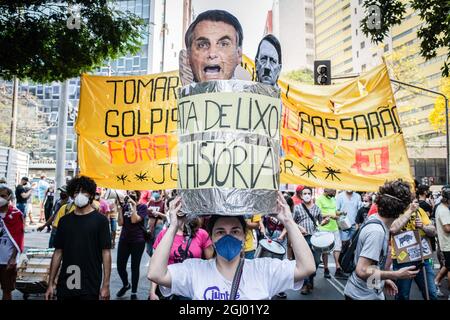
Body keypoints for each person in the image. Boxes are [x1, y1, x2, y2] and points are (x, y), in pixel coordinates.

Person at [148, 192, 315, 300]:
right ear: (211, 238)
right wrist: (173, 226)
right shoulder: (194, 270)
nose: (228, 236)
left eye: (235, 231)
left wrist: (288, 220)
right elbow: (156, 274)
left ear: (244, 236)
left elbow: (306, 268)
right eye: (220, 232)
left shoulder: (264, 270)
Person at [344, 180, 420, 300]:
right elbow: (362, 270)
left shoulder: (376, 220)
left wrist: (383, 280)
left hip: (369, 292)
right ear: (402, 209)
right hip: (361, 296)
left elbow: (373, 265)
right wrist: (395, 274)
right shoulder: (376, 232)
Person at [45, 176, 111, 300]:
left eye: (84, 191)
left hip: (90, 282)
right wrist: (50, 283)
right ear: (72, 195)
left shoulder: (101, 221)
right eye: (76, 192)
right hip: (67, 281)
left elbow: (106, 252)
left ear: (91, 195)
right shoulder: (64, 221)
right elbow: (58, 252)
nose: (80, 195)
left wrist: (105, 285)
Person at [149, 216, 214, 300]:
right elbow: (156, 265)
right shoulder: (165, 234)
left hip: (192, 287)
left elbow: (211, 263)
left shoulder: (201, 234)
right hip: (169, 286)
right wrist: (152, 292)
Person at [390, 195, 438, 300]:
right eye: (411, 201)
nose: (414, 203)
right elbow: (393, 229)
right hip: (402, 259)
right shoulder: (396, 211)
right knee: (403, 295)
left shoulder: (420, 211)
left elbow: (433, 231)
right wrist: (410, 211)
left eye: (415, 201)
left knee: (431, 293)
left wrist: (423, 227)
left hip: (422, 257)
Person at [185, 10, 243, 83]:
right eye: (202, 45)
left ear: (239, 55)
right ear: (188, 56)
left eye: (223, 44)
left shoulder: (252, 94)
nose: (212, 54)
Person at [293, 187, 330, 295]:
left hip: (315, 238)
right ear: (301, 195)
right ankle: (306, 284)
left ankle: (310, 278)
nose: (307, 195)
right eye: (305, 193)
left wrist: (325, 221)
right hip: (302, 238)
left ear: (311, 194)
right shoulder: (297, 208)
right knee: (304, 262)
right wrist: (299, 227)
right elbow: (292, 222)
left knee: (316, 262)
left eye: (309, 193)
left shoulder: (317, 208)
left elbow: (320, 223)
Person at [116, 190, 148, 300]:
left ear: (138, 195)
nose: (130, 195)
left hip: (137, 241)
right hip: (124, 240)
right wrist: (119, 209)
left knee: (135, 267)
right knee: (120, 266)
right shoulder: (125, 206)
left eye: (133, 193)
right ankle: (126, 284)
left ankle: (134, 292)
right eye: (129, 193)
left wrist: (133, 206)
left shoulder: (142, 207)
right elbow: (120, 223)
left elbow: (134, 220)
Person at [0, 185, 24, 300]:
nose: (0, 198)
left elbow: (18, 238)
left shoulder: (16, 214)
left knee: (7, 290)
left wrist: (13, 258)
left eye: (2, 196)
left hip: (7, 261)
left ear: (9, 197)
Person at [316, 188, 345, 279]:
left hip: (334, 227)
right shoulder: (319, 199)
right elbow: (318, 213)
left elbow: (334, 211)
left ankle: (338, 267)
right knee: (326, 250)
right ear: (326, 190)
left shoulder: (333, 199)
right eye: (333, 191)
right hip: (324, 228)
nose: (335, 193)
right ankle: (326, 269)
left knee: (338, 247)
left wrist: (340, 213)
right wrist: (330, 216)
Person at [434, 187, 450, 300]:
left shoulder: (440, 207)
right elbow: (447, 228)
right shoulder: (444, 210)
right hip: (448, 243)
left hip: (445, 243)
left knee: (447, 266)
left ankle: (435, 283)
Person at [147, 190, 167, 256]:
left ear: (160, 192)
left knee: (157, 247)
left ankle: (155, 263)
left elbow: (166, 217)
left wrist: (158, 213)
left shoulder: (163, 203)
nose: (155, 192)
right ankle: (153, 259)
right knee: (148, 250)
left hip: (158, 226)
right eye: (154, 191)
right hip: (150, 227)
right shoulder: (151, 202)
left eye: (156, 191)